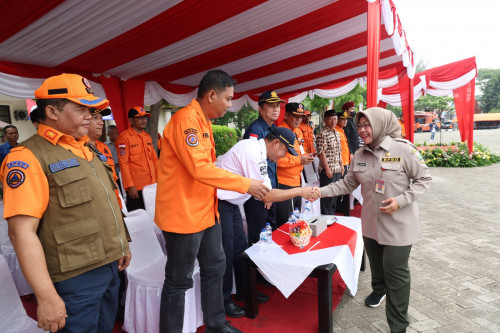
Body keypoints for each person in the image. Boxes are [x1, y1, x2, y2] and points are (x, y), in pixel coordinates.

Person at [0, 73, 131, 332]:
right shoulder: (28, 157)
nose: (90, 116)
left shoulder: (87, 149)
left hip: (109, 266)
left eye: (91, 109)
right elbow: (21, 232)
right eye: (81, 108)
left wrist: (121, 244)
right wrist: (46, 296)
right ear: (52, 111)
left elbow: (104, 204)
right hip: (74, 278)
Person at [155, 70, 270, 333]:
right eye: (228, 99)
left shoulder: (204, 121)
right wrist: (246, 184)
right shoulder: (187, 121)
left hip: (206, 213)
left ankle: (216, 324)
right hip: (183, 215)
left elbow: (208, 167)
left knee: (215, 267)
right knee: (178, 281)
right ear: (211, 95)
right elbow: (200, 170)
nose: (230, 105)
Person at [314, 107, 432, 333]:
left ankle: (398, 325)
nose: (362, 130)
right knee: (378, 267)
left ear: (380, 124)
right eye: (359, 126)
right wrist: (320, 192)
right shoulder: (360, 154)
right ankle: (379, 289)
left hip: (399, 224)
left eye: (367, 125)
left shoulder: (403, 149)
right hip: (370, 223)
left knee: (395, 271)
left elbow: (424, 179)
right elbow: (348, 184)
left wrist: (400, 200)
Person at [216, 127, 316, 317]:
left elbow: (267, 187)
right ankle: (224, 300)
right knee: (227, 252)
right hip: (221, 203)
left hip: (232, 203)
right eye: (283, 152)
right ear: (275, 143)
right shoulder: (252, 151)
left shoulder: (260, 152)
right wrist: (299, 191)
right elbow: (267, 193)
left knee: (240, 249)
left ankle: (245, 291)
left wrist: (269, 195)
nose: (281, 157)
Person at [243, 90, 284, 238]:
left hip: (269, 189)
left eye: (278, 106)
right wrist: (265, 193)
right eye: (271, 106)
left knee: (270, 231)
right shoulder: (255, 130)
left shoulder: (273, 128)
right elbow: (253, 165)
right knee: (258, 235)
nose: (276, 109)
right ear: (260, 109)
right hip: (258, 193)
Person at [275, 102, 315, 226]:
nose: (299, 119)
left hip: (297, 181)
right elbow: (277, 160)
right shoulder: (280, 132)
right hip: (285, 184)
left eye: (300, 116)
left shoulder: (298, 131)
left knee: (296, 219)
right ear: (286, 115)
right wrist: (300, 160)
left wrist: (305, 157)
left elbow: (298, 152)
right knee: (286, 222)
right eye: (295, 116)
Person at [116, 106, 159, 211]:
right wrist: (130, 186)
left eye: (145, 117)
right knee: (140, 220)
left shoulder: (147, 136)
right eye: (140, 118)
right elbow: (123, 163)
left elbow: (154, 161)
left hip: (152, 186)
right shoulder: (124, 137)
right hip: (136, 189)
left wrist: (159, 181)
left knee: (154, 217)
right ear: (131, 120)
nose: (144, 120)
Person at [316, 109, 343, 215]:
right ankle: (326, 219)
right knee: (327, 198)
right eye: (331, 119)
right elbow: (321, 152)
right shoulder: (322, 134)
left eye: (335, 119)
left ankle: (331, 217)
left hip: (337, 168)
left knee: (335, 195)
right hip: (328, 170)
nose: (333, 121)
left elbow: (339, 151)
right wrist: (327, 169)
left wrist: (341, 165)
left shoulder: (337, 133)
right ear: (325, 120)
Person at [335, 110, 351, 215]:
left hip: (346, 162)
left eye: (346, 119)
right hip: (341, 163)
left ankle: (342, 207)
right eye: (343, 119)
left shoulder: (341, 130)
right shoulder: (336, 131)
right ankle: (344, 209)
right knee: (344, 186)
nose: (345, 121)